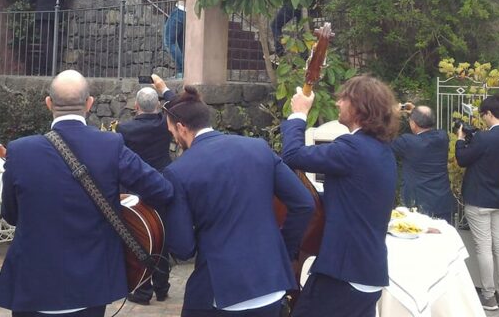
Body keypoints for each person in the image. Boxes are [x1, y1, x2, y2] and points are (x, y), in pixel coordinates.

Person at [0, 70, 174, 316]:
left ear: (48, 104)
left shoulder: (20, 151)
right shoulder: (110, 145)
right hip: (91, 283)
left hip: (33, 284)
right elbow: (161, 189)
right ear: (89, 103)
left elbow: (11, 215)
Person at [162, 85, 314, 317]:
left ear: (181, 128)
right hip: (271, 283)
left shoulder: (178, 171)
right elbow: (304, 203)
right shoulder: (258, 148)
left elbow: (183, 248)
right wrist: (284, 249)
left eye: (171, 131)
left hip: (222, 292)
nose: (173, 136)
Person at [280, 75, 399, 317]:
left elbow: (292, 155)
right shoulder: (382, 150)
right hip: (367, 271)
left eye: (344, 98)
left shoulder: (352, 148)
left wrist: (299, 113)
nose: (338, 103)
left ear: (359, 107)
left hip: (343, 273)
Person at [455, 94, 499, 312]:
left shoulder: (484, 138)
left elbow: (462, 159)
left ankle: (489, 296)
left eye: (483, 115)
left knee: (484, 248)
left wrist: (459, 139)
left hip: (478, 199)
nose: (483, 119)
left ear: (490, 114)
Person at [118, 74, 176, 305]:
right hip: (161, 183)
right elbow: (178, 106)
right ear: (158, 106)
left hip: (134, 189)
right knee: (160, 234)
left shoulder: (124, 128)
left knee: (139, 237)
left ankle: (142, 289)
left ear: (136, 106)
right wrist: (164, 89)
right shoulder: (165, 123)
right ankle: (162, 287)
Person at [391, 105, 455, 221]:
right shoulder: (442, 137)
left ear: (413, 123)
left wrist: (393, 116)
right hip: (441, 200)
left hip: (416, 203)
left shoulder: (407, 142)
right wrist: (416, 111)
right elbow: (427, 120)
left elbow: (387, 141)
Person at [27, 0, 67, 76]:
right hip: (56, 15)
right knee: (53, 41)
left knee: (45, 42)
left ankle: (46, 69)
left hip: (43, 15)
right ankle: (53, 68)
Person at [164, 0, 189, 78]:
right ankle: (181, 72)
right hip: (184, 12)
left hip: (181, 11)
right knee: (180, 43)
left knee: (169, 41)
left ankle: (181, 69)